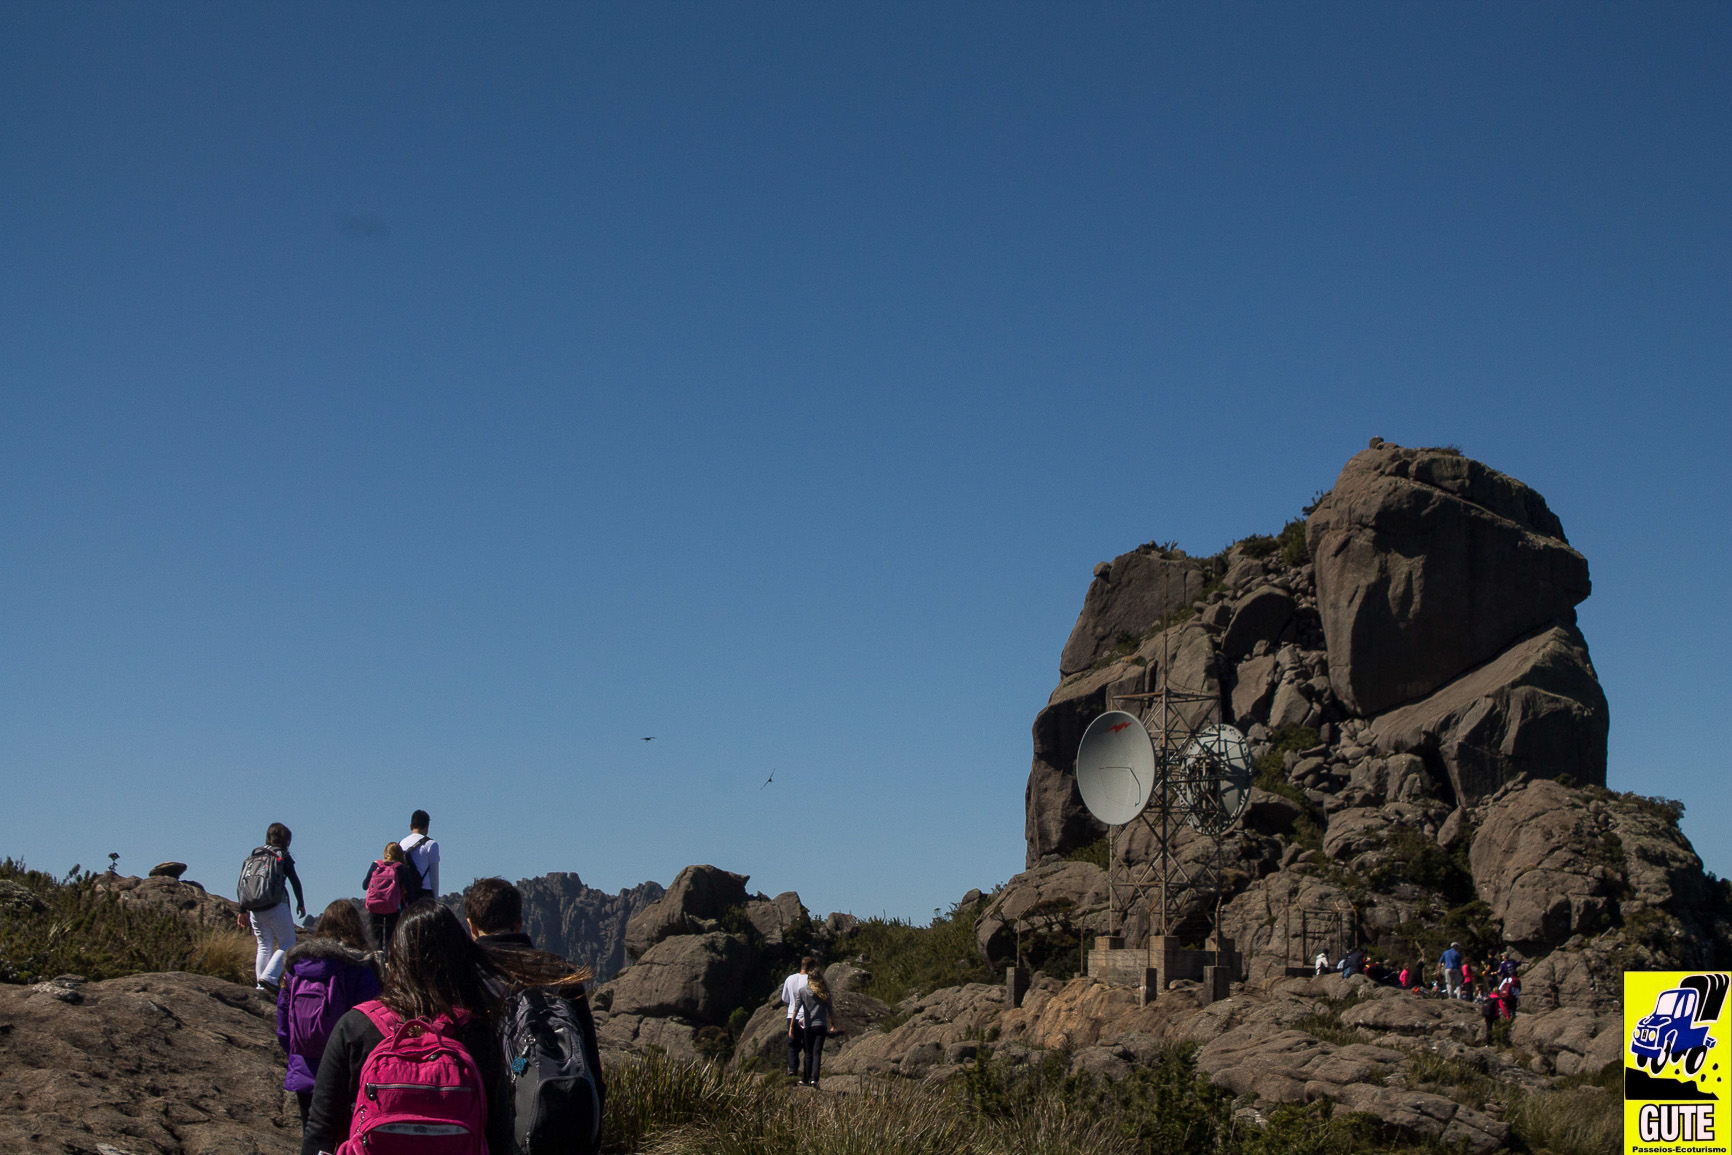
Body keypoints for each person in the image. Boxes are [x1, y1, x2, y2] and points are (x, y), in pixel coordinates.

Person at [298, 900, 511, 1155]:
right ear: (461, 957)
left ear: (396, 956)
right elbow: (499, 1133)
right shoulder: (481, 1031)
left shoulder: (355, 1026)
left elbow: (320, 1129)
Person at [461, 876, 606, 1119]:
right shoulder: (561, 973)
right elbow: (590, 1060)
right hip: (558, 1121)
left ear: (471, 927)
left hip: (488, 1124)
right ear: (519, 923)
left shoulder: (464, 975)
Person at [277, 900, 382, 1127]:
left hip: (304, 1071)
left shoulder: (296, 968)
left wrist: (297, 1055)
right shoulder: (359, 968)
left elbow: (283, 1027)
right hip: (345, 1077)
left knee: (312, 1139)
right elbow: (371, 1024)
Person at [237, 822, 307, 996]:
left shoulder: (253, 856)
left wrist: (242, 910)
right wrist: (300, 902)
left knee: (264, 945)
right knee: (288, 944)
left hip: (254, 908)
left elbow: (244, 884)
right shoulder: (281, 855)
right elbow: (294, 881)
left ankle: (261, 987)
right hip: (276, 905)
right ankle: (269, 978)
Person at [362, 842, 424, 961]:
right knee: (391, 939)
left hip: (375, 907)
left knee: (376, 940)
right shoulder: (401, 868)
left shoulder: (376, 865)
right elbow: (410, 892)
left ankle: (376, 967)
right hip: (393, 907)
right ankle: (390, 964)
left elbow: (364, 885)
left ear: (385, 853)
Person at [795, 968, 835, 1088]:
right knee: (817, 1053)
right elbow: (830, 1010)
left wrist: (792, 1025)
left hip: (808, 1026)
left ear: (809, 979)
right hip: (821, 1025)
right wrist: (833, 1024)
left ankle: (805, 1078)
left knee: (808, 1053)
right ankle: (815, 1079)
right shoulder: (824, 991)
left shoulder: (802, 991)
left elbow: (796, 1009)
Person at [780, 956, 814, 1078]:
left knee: (793, 1046)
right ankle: (807, 1075)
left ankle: (792, 1070)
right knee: (808, 1048)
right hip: (806, 1017)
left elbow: (784, 998)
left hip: (791, 1016)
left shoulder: (790, 979)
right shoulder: (811, 980)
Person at [400, 809, 440, 899]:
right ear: (427, 827)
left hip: (405, 893)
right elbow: (434, 875)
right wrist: (436, 898)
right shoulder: (431, 844)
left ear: (411, 826)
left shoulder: (401, 843)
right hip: (424, 891)